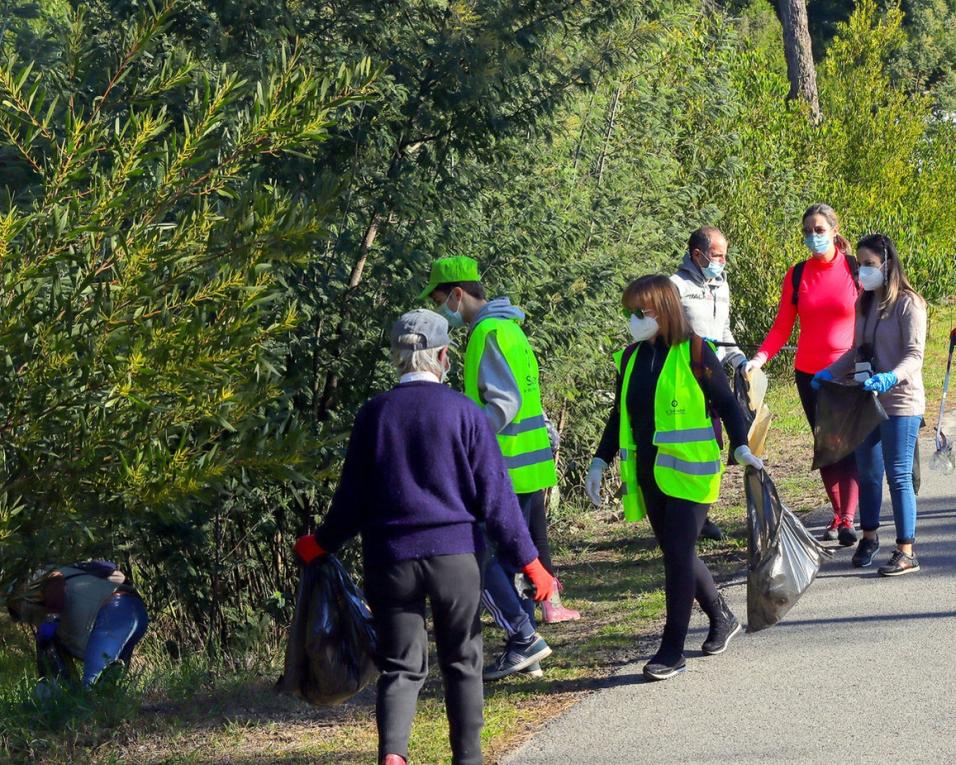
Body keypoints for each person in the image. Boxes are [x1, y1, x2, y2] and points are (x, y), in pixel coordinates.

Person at [294, 309, 554, 765]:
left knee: (401, 666)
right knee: (462, 662)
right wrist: (532, 563)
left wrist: (320, 544)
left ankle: (394, 757)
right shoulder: (465, 413)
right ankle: (467, 759)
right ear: (443, 356)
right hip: (456, 559)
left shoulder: (373, 415)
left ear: (397, 358)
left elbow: (351, 499)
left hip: (390, 561)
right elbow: (497, 499)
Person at [584, 275, 763, 681]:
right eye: (630, 311)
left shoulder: (696, 351)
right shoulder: (631, 357)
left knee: (679, 553)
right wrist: (599, 459)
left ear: (663, 310)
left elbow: (728, 404)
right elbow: (619, 415)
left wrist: (740, 446)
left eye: (640, 311)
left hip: (693, 472)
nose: (633, 318)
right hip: (651, 472)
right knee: (676, 552)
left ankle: (671, 649)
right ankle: (721, 616)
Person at [420, 256, 578, 675]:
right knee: (513, 557)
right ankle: (526, 649)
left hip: (503, 467)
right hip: (527, 465)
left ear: (457, 293)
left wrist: (466, 438)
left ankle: (524, 637)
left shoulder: (486, 333)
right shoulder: (509, 328)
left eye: (439, 299)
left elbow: (503, 404)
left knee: (482, 554)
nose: (441, 310)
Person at [745, 203, 861, 545]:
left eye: (819, 230)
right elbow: (782, 327)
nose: (813, 237)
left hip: (848, 372)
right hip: (809, 374)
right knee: (825, 445)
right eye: (808, 232)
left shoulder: (855, 269)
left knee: (847, 446)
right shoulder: (797, 275)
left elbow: (875, 315)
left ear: (835, 231)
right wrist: (760, 358)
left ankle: (849, 519)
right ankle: (839, 514)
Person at [814, 233, 927, 575]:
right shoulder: (863, 303)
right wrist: (828, 373)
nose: (863, 271)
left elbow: (914, 355)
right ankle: (869, 536)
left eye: (869, 264)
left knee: (899, 475)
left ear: (888, 265)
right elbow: (855, 351)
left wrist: (891, 377)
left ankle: (906, 550)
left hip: (900, 401)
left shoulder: (909, 303)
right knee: (868, 473)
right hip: (865, 400)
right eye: (860, 264)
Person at [670, 226, 746, 542]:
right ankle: (691, 516)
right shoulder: (675, 286)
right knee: (693, 445)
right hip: (685, 378)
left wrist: (741, 362)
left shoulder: (721, 283)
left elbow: (723, 332)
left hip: (715, 375)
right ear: (697, 254)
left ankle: (702, 512)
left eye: (725, 255)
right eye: (717, 255)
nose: (722, 261)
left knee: (715, 443)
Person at [6, 560, 148, 690]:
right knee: (110, 689)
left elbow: (54, 578)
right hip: (132, 610)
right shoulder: (65, 575)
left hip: (113, 612)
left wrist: (52, 619)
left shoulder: (28, 581)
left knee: (93, 686)